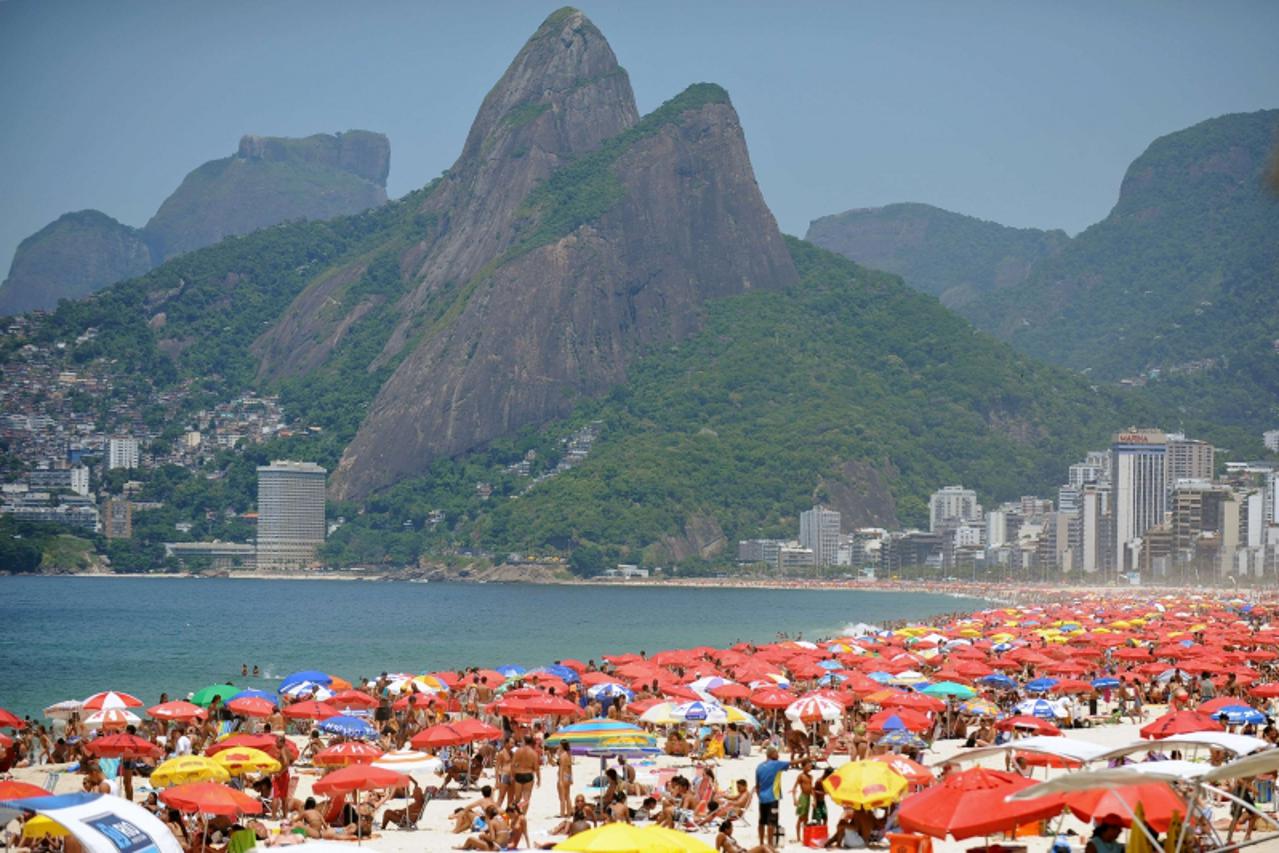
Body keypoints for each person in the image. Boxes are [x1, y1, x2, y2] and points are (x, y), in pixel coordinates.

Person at [754, 747, 791, 848]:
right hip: (773, 797)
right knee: (772, 822)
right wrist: (809, 758)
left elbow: (757, 786)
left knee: (761, 821)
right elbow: (793, 762)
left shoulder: (759, 766)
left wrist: (760, 796)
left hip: (762, 798)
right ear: (771, 754)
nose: (778, 755)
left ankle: (761, 843)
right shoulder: (776, 764)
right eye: (776, 753)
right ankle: (769, 844)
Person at [512, 736, 539, 808]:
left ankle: (507, 816)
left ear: (524, 742)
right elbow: (537, 768)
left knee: (516, 799)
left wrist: (513, 776)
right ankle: (523, 816)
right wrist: (539, 779)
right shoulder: (533, 753)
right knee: (526, 800)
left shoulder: (518, 751)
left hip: (518, 774)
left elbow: (513, 765)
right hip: (528, 775)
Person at [791, 760, 814, 843]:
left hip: (808, 798)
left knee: (806, 818)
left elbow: (812, 789)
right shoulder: (801, 776)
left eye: (810, 766)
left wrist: (814, 800)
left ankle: (805, 836)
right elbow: (794, 788)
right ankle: (798, 837)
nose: (810, 767)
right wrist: (795, 799)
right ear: (803, 766)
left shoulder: (811, 777)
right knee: (801, 817)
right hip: (803, 797)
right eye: (808, 766)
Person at [556, 740, 573, 817]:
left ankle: (562, 814)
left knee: (562, 797)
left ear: (562, 746)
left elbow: (561, 768)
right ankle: (569, 813)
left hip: (563, 776)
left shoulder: (563, 756)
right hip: (568, 775)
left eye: (559, 745)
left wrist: (560, 780)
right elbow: (570, 767)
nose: (558, 746)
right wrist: (571, 778)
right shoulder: (568, 755)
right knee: (567, 796)